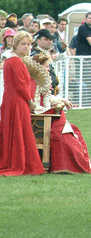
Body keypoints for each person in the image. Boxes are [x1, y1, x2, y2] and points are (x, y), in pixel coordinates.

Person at [24, 52, 91, 174]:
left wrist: (60, 101)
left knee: (72, 132)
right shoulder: (33, 83)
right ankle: (65, 164)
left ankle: (81, 164)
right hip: (40, 119)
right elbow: (36, 105)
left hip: (45, 116)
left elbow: (46, 99)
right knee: (65, 135)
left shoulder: (40, 82)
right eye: (46, 66)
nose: (48, 69)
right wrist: (54, 106)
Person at [0, 31, 45, 176]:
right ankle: (21, 163)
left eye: (29, 44)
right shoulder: (15, 61)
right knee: (21, 133)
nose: (27, 47)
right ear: (16, 44)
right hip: (17, 102)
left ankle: (13, 161)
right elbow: (20, 86)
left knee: (14, 133)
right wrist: (30, 101)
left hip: (10, 100)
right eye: (23, 44)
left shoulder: (10, 60)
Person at [30, 29, 59, 94]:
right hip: (42, 92)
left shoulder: (44, 53)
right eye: (46, 39)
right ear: (38, 40)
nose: (49, 42)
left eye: (50, 40)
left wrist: (55, 85)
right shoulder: (36, 55)